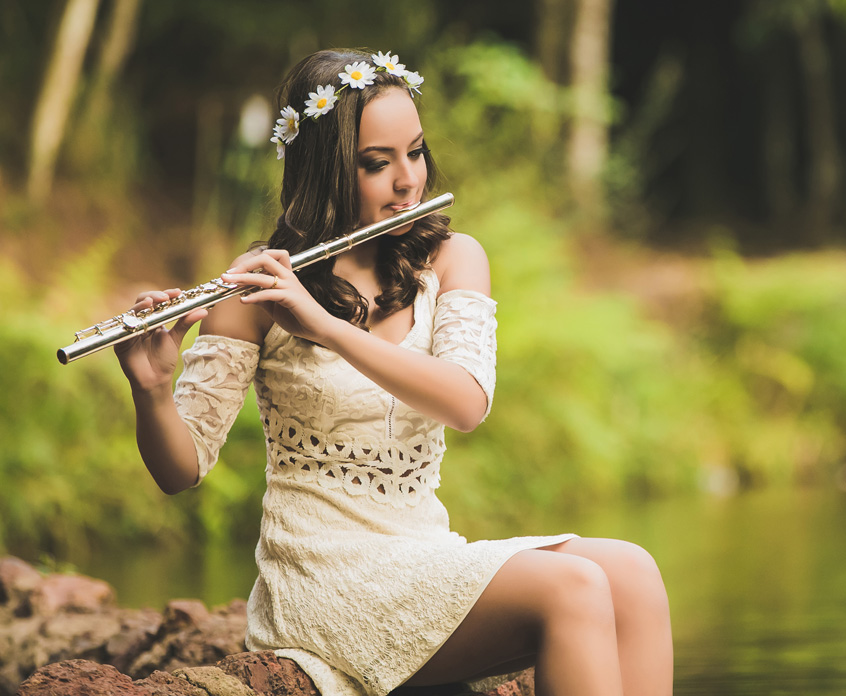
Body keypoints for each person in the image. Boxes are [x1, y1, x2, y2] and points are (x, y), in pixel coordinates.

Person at [115, 48, 673, 696]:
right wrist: (153, 392)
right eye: (377, 164)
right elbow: (180, 470)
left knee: (633, 573)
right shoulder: (262, 287)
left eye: (415, 152)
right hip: (322, 577)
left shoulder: (452, 258)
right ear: (324, 171)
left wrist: (325, 329)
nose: (408, 179)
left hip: (422, 553)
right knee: (573, 588)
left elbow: (465, 403)